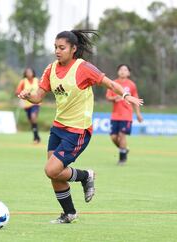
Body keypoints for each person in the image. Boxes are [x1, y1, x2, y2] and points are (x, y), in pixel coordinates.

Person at [18, 30, 143, 224]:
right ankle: (69, 214)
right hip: (58, 127)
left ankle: (86, 176)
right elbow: (39, 97)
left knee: (51, 170)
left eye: (62, 48)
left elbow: (109, 83)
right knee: (55, 174)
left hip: (78, 130)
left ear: (73, 48)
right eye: (55, 48)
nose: (57, 51)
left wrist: (126, 96)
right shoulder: (50, 69)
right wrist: (28, 96)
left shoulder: (83, 68)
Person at [106, 64, 143, 165]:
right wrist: (115, 98)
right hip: (115, 115)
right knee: (113, 137)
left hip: (126, 115)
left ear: (128, 73)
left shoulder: (131, 85)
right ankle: (124, 149)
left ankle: (122, 159)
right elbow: (108, 97)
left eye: (125, 70)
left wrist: (138, 114)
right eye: (121, 69)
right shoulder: (112, 83)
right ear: (118, 71)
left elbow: (135, 100)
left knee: (122, 135)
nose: (123, 71)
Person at [15, 68, 41, 143]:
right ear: (25, 74)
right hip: (26, 104)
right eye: (27, 72)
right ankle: (36, 136)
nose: (29, 73)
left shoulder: (37, 80)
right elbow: (17, 91)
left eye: (30, 72)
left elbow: (42, 90)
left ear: (33, 73)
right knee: (31, 121)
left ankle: (36, 138)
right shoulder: (23, 81)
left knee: (33, 117)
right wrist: (21, 96)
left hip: (36, 103)